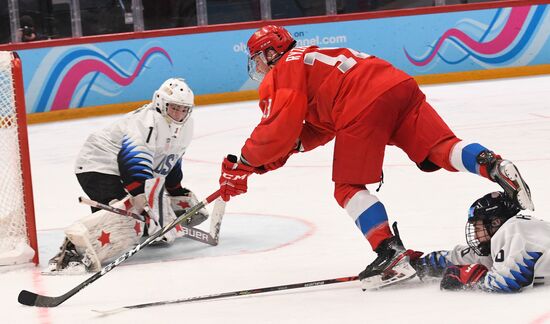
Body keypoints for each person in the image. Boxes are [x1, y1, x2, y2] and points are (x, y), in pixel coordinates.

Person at [217, 25, 534, 290]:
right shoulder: (312, 61)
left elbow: (277, 128)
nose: (257, 67)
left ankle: (390, 254)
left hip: (362, 101)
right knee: (440, 148)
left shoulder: (285, 69)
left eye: (258, 58)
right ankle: (492, 164)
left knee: (347, 186)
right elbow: (316, 129)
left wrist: (243, 162)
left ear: (272, 53)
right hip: (396, 85)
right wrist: (263, 163)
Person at [48, 78, 208, 274]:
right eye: (174, 108)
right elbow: (132, 161)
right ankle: (72, 250)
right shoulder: (146, 122)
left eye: (184, 109)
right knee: (123, 212)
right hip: (98, 163)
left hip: (117, 167)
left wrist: (175, 190)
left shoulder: (185, 126)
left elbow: (171, 159)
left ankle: (143, 228)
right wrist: (141, 198)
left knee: (136, 212)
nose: (179, 114)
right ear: (160, 102)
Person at [412, 192, 549, 292]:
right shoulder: (505, 237)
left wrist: (469, 277)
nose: (476, 236)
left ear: (495, 222)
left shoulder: (516, 231)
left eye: (478, 228)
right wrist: (419, 264)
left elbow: (508, 282)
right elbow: (465, 257)